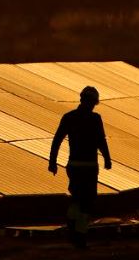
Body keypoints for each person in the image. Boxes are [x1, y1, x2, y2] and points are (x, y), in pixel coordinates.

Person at [49, 85, 112, 248]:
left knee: (77, 198)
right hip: (89, 166)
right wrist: (107, 159)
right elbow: (101, 141)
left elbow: (57, 139)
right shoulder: (95, 119)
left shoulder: (69, 117)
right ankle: (80, 236)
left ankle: (72, 228)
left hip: (74, 166)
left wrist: (52, 162)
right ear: (93, 102)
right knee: (87, 201)